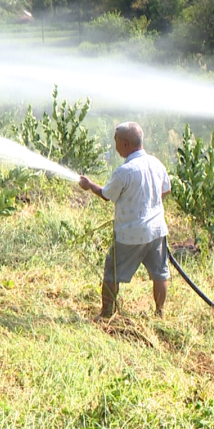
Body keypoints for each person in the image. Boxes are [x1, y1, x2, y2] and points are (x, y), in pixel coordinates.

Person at [79, 122, 172, 320]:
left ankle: (106, 314)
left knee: (112, 273)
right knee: (160, 273)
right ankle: (160, 313)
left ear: (126, 144)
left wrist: (89, 185)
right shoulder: (157, 163)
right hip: (156, 231)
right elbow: (166, 189)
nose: (115, 145)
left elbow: (106, 194)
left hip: (130, 234)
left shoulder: (125, 171)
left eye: (116, 141)